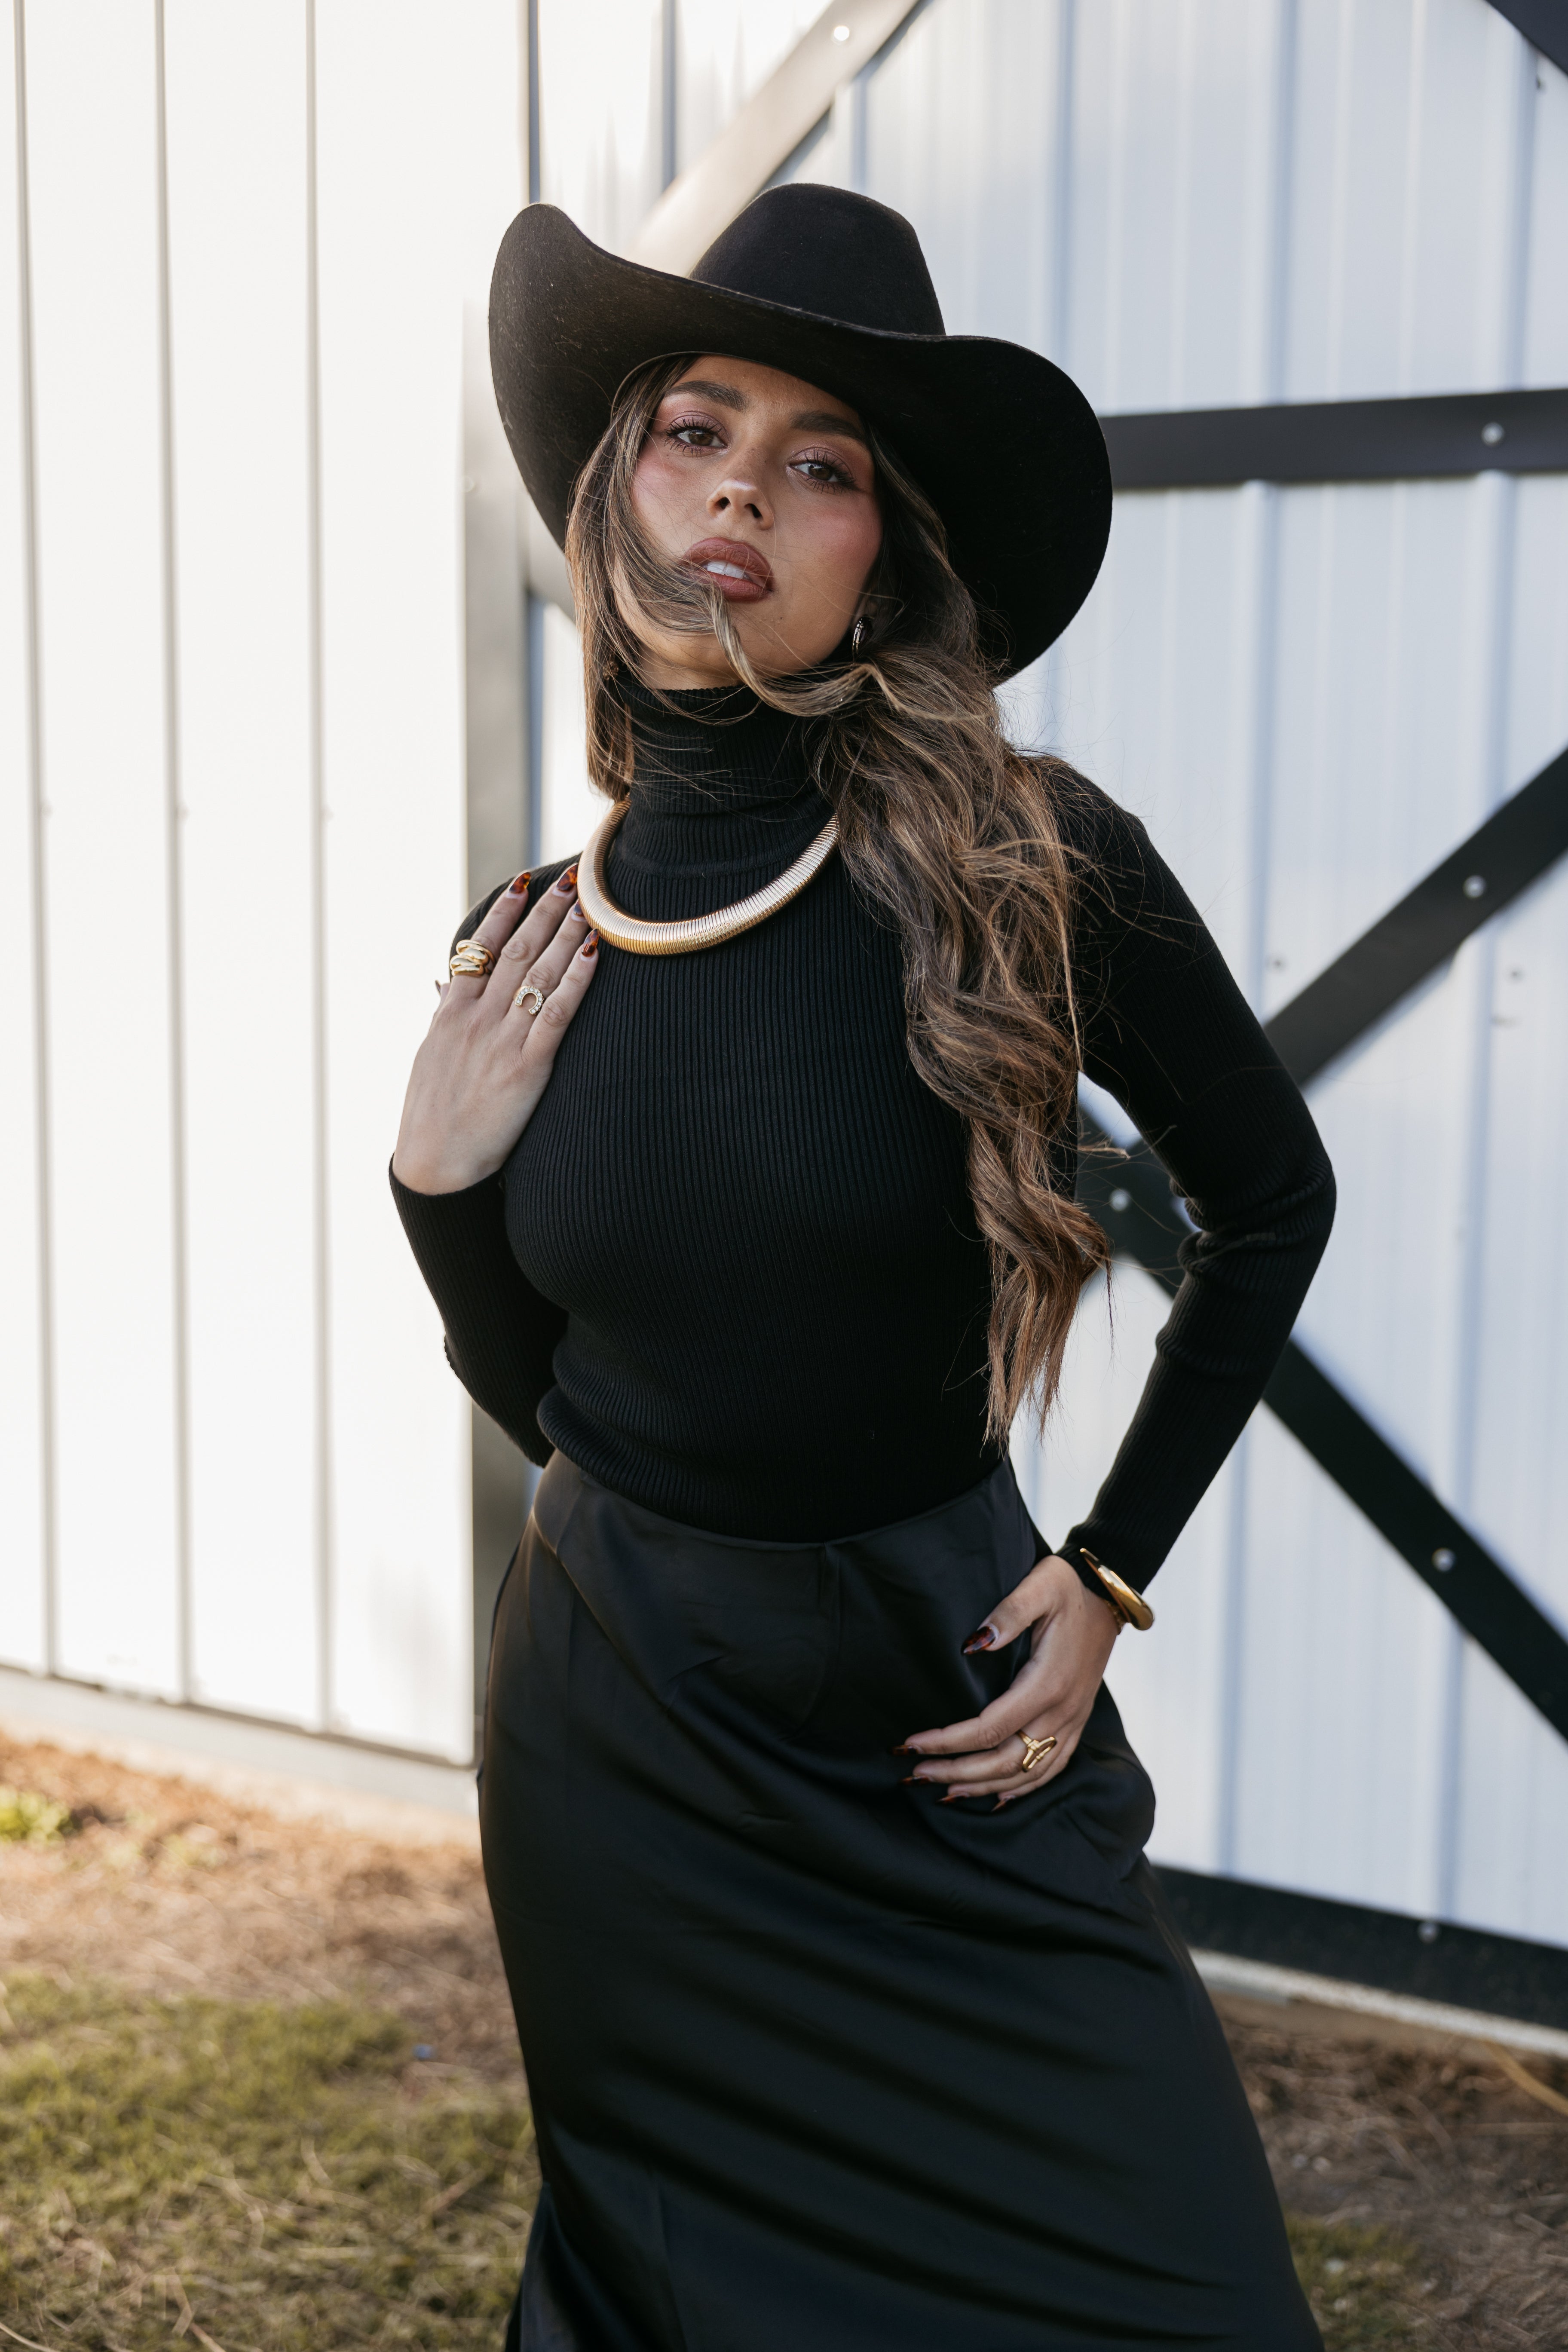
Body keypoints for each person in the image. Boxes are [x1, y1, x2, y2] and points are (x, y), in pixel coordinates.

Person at [392, 183, 1332, 2352]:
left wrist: (1108, 1575)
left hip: (947, 1703)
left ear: (883, 552)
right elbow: (570, 1405)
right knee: (678, 2294)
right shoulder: (539, 931)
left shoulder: (1034, 856)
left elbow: (1275, 1210)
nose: (744, 489)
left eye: (821, 461)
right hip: (631, 1740)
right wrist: (437, 1193)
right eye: (694, 429)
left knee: (1189, 2291)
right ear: (617, 485)